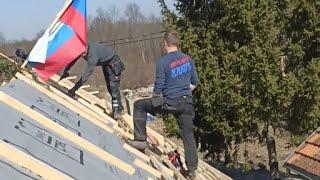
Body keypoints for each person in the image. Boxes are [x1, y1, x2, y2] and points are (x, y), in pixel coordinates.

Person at [127, 31, 199, 179]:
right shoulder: (188, 59)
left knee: (140, 105)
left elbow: (158, 88)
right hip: (187, 102)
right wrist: (184, 90)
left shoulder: (163, 62)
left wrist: (155, 101)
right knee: (188, 136)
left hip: (171, 102)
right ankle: (192, 169)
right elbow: (195, 83)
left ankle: (140, 140)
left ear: (165, 43)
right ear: (177, 43)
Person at [60, 42, 125, 119]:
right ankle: (120, 107)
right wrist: (66, 71)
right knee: (109, 87)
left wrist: (74, 89)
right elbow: (73, 60)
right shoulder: (81, 49)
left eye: (84, 53)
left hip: (113, 61)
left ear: (87, 48)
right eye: (81, 54)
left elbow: (86, 76)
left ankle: (117, 111)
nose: (83, 55)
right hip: (106, 63)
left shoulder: (92, 57)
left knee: (113, 86)